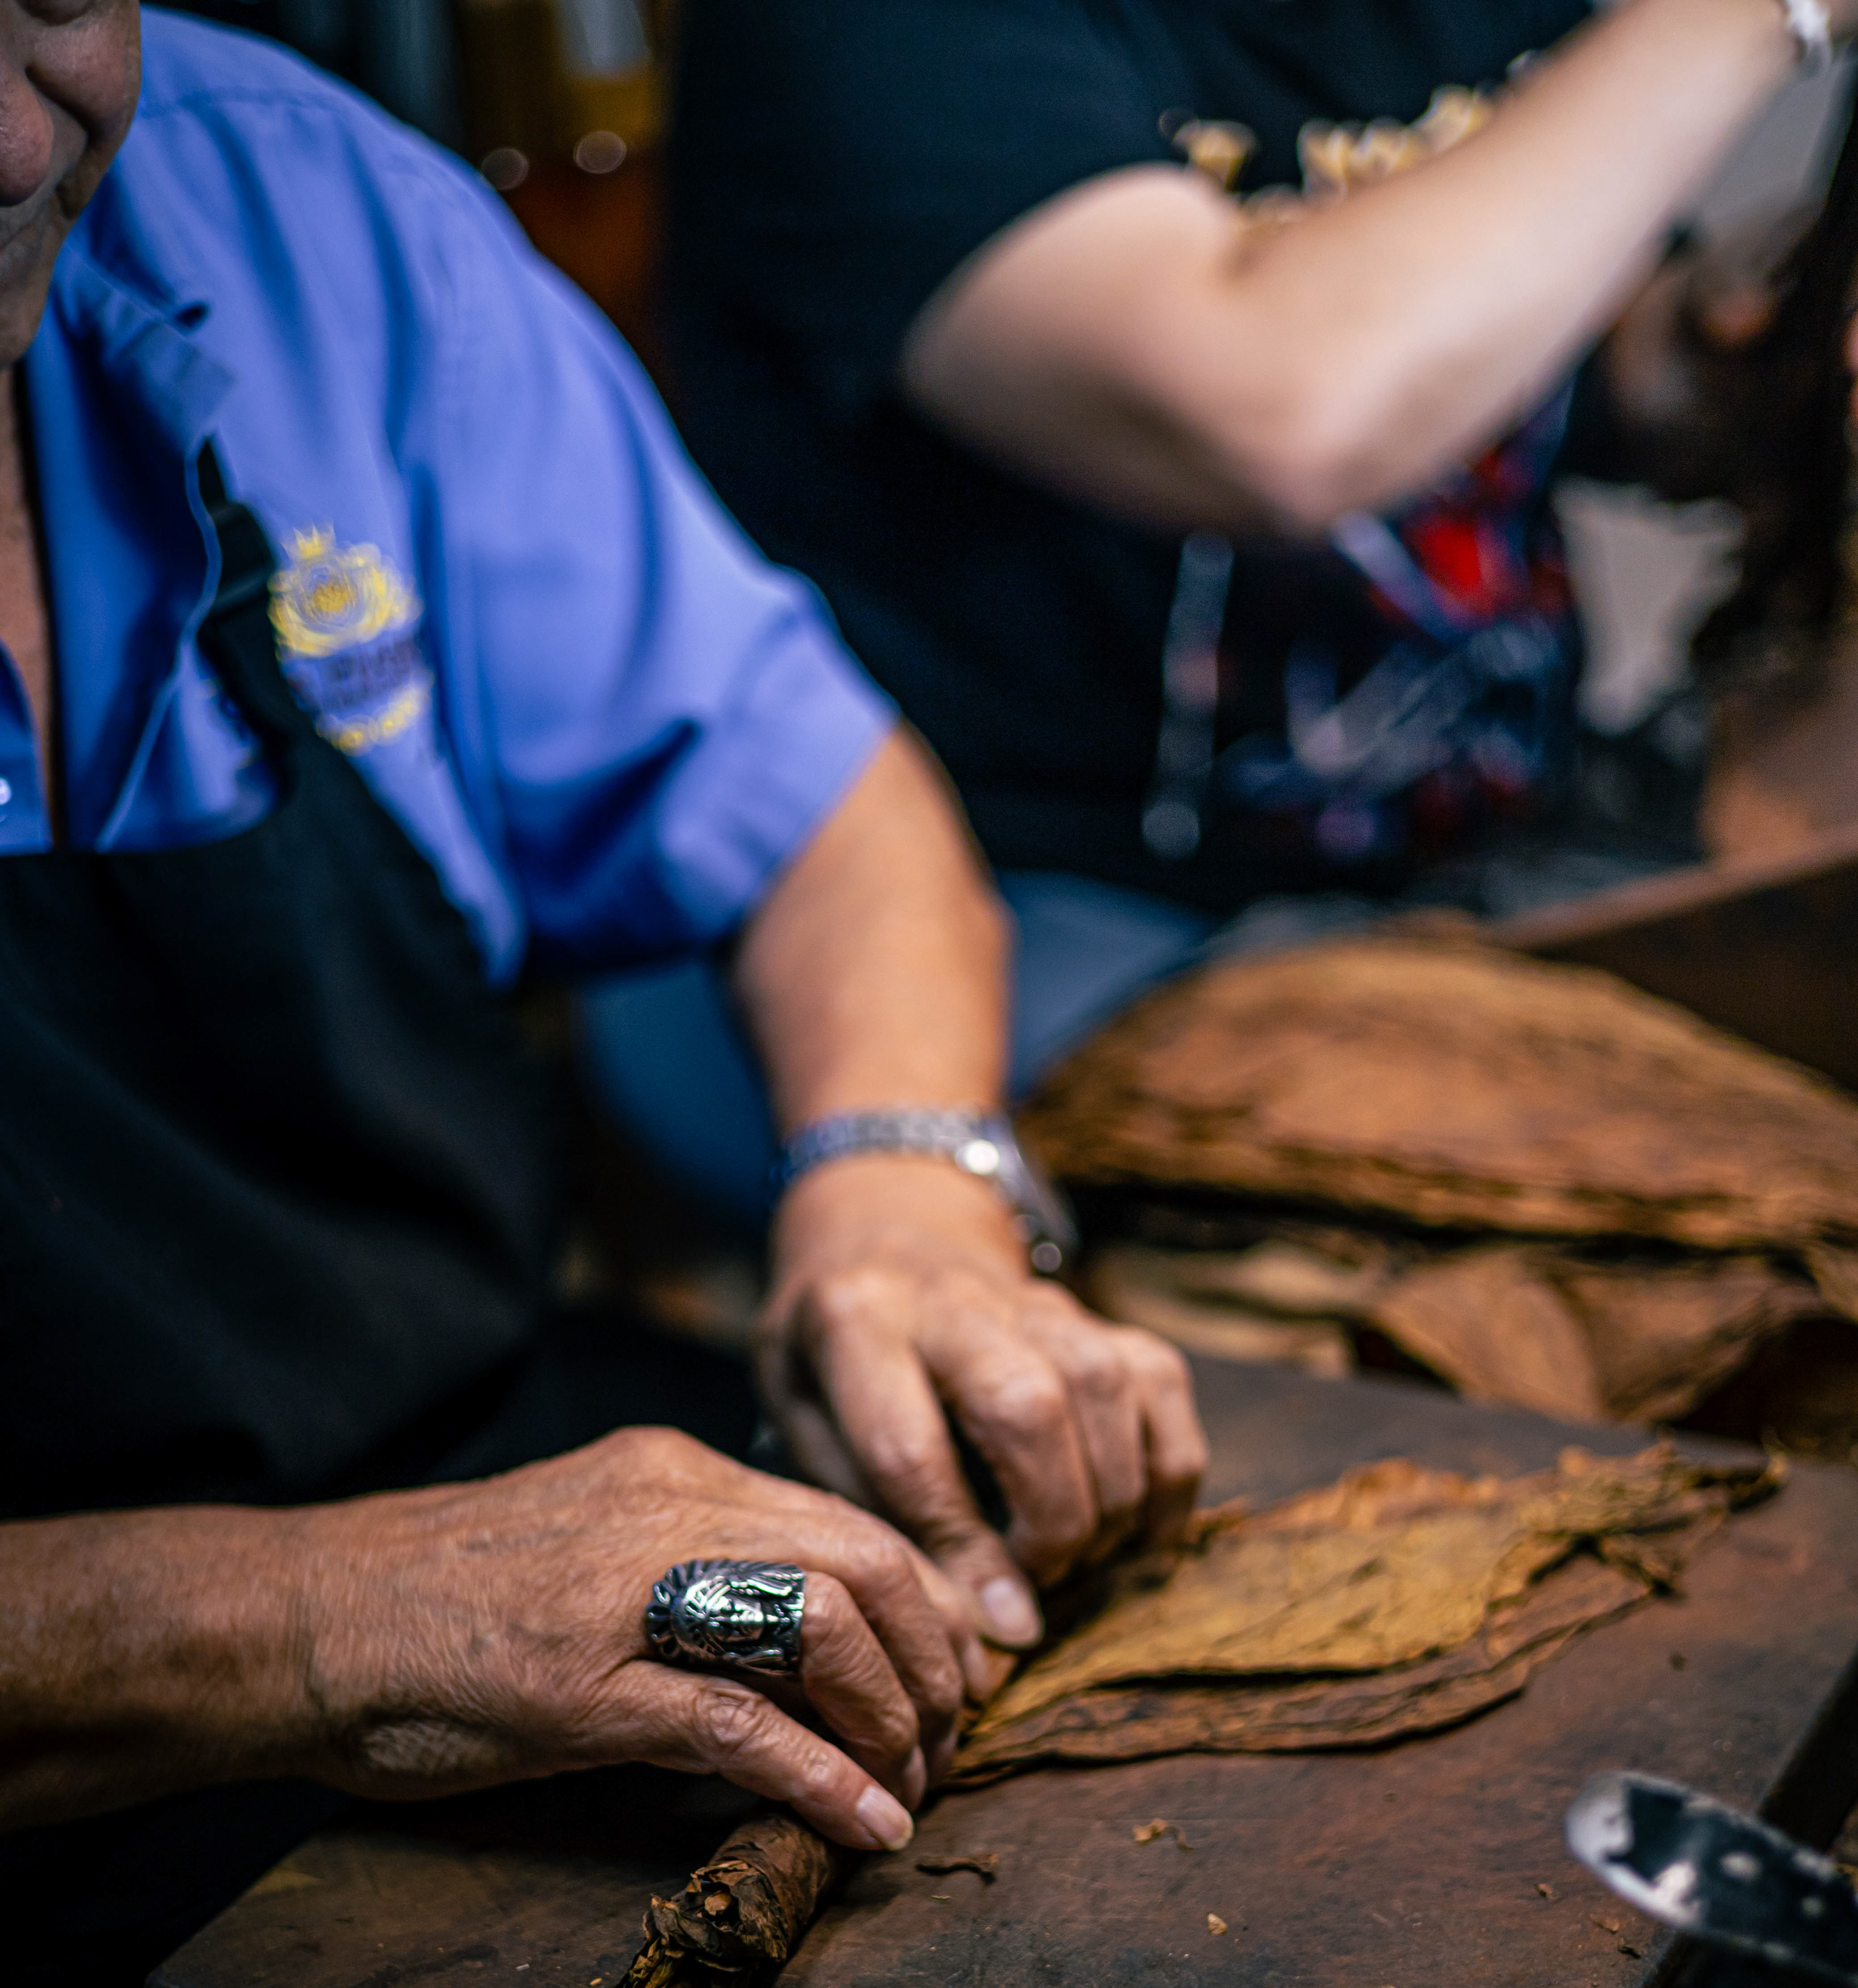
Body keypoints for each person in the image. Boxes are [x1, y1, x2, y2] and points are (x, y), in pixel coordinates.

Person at [0, 1, 1205, 1988]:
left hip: (485, 1500)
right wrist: (319, 1622)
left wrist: (903, 1194)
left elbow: (826, 813)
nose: (18, 147)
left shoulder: (302, 212)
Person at [588, 0, 1857, 1223]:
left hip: (1475, 863)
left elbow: (1575, 369)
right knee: (1702, 1200)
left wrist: (1759, 333)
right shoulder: (873, 25)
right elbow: (1277, 414)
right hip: (979, 915)